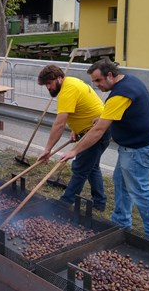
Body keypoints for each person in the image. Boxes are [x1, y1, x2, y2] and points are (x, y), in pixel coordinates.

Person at [60, 59, 149, 241]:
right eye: (94, 81)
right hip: (130, 146)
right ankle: (121, 223)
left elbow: (99, 131)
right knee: (121, 183)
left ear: (110, 75)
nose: (96, 85)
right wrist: (102, 116)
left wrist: (74, 151)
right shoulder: (128, 81)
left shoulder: (120, 94)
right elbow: (117, 113)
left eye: (98, 81)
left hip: (138, 148)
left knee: (139, 191)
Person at [36, 65, 110, 211]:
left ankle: (64, 203)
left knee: (80, 168)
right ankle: (99, 202)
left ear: (58, 78)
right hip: (99, 129)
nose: (48, 88)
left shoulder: (67, 91)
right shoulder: (71, 82)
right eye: (46, 85)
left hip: (95, 132)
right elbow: (81, 109)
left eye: (49, 84)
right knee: (92, 167)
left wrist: (48, 149)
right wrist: (77, 129)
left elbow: (59, 124)